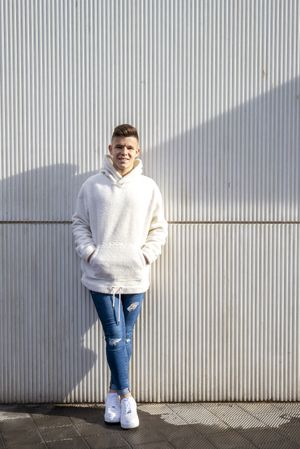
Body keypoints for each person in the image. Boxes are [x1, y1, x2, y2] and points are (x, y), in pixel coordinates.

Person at [72, 124, 168, 429]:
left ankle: (112, 394)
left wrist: (145, 256)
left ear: (137, 151)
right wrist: (91, 253)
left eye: (129, 147)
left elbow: (158, 227)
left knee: (125, 337)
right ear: (110, 149)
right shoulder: (92, 186)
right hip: (100, 275)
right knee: (115, 336)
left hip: (135, 275)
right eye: (118, 146)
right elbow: (79, 223)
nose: (123, 152)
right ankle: (127, 397)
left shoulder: (148, 187)